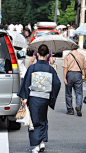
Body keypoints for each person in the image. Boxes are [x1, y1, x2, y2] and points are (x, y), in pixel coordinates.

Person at [17, 44, 61, 153]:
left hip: (33, 97)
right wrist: (51, 96)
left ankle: (36, 145)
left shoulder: (32, 68)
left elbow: (26, 83)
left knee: (34, 120)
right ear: (47, 55)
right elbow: (57, 83)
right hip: (45, 97)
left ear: (37, 54)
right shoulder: (50, 69)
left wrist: (24, 98)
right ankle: (41, 141)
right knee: (43, 119)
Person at [62, 46, 86, 117]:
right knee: (79, 93)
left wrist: (64, 78)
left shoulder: (68, 56)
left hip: (69, 74)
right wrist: (85, 76)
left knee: (68, 93)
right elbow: (85, 68)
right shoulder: (81, 56)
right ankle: (78, 105)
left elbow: (65, 68)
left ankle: (70, 110)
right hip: (78, 74)